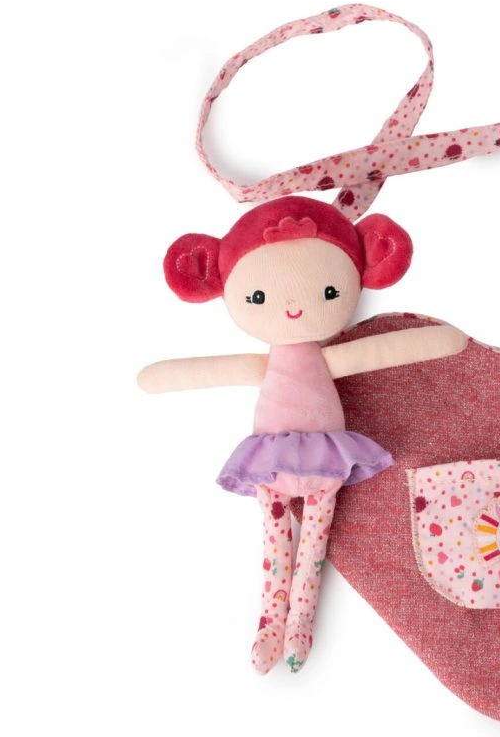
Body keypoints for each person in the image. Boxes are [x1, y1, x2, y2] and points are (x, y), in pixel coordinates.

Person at [137, 196, 467, 673]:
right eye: (259, 299)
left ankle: (298, 626)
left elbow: (383, 352)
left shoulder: (314, 360)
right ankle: (270, 626)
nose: (293, 309)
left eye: (329, 292)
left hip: (322, 460)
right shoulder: (275, 362)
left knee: (311, 547)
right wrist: (160, 376)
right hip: (275, 460)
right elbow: (207, 370)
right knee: (282, 544)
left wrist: (440, 340)